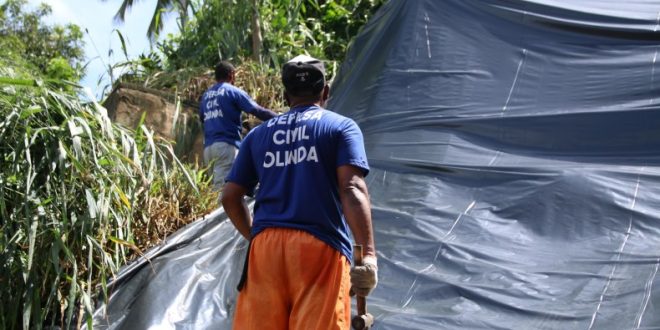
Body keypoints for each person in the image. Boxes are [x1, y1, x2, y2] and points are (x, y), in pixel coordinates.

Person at [222, 54, 378, 330]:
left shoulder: (257, 136)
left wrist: (256, 237)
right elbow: (352, 188)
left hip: (265, 252)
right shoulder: (341, 127)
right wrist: (368, 255)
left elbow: (230, 197)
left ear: (285, 95)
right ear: (326, 91)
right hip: (319, 249)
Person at [199, 61, 278, 191]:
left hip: (208, 149)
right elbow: (257, 110)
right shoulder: (232, 91)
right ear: (231, 74)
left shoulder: (206, 95)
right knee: (223, 191)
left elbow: (202, 117)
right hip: (225, 146)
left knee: (214, 190)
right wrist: (281, 118)